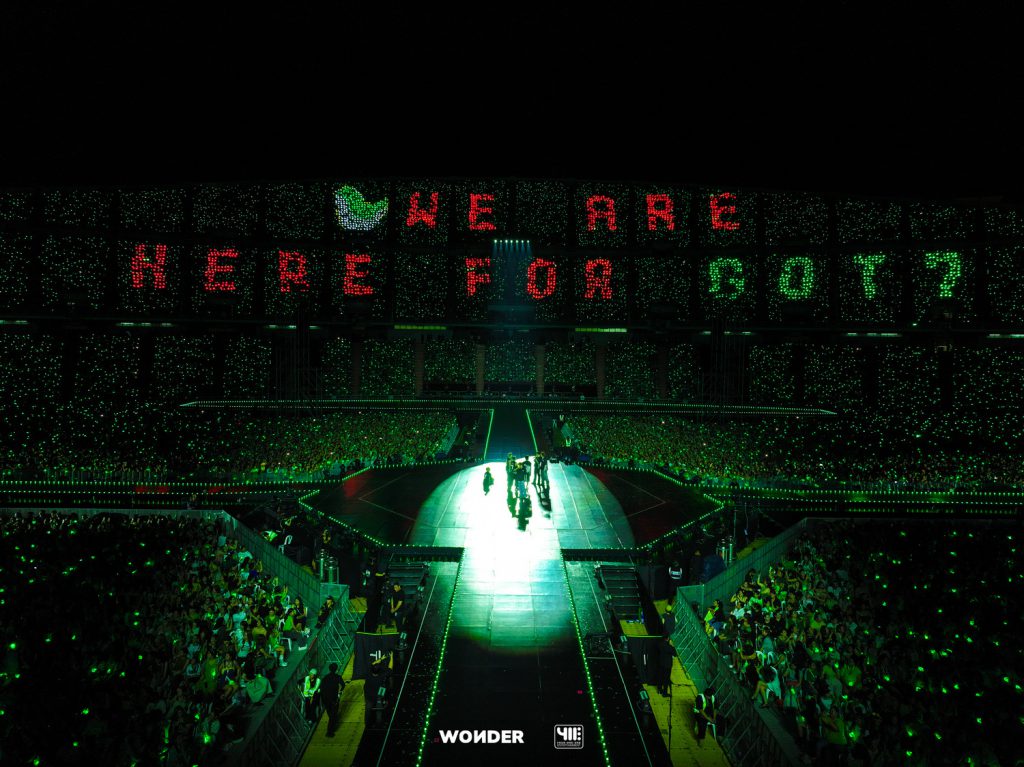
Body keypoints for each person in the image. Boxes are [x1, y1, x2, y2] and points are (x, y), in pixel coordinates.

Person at [319, 662, 345, 737]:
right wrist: (340, 692)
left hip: (325, 698)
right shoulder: (338, 677)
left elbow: (321, 688)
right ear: (336, 669)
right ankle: (330, 731)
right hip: (334, 698)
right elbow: (343, 685)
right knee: (333, 714)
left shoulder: (325, 678)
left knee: (330, 713)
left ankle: (331, 726)